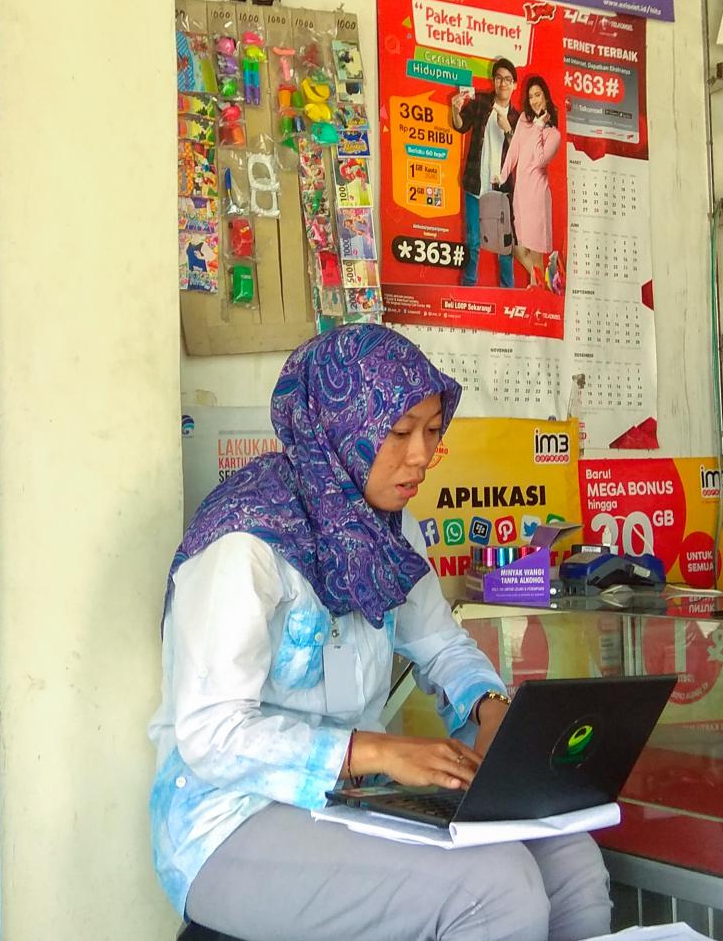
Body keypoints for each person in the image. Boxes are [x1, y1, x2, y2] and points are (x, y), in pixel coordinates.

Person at [151, 326, 611, 941]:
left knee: (570, 858)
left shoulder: (387, 531)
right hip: (230, 821)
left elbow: (440, 644)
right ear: (341, 428)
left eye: (431, 431)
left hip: (354, 800)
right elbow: (212, 734)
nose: (420, 455)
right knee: (495, 889)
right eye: (399, 434)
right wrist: (375, 752)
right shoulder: (244, 542)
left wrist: (489, 705)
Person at [447, 59, 517, 289]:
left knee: (504, 246)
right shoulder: (481, 103)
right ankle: (469, 286)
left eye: (508, 79)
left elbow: (520, 154)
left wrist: (507, 129)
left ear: (514, 85)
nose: (503, 83)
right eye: (499, 78)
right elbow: (460, 125)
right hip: (476, 183)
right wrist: (455, 111)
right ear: (493, 81)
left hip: (501, 192)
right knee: (474, 240)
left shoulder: (518, 119)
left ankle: (508, 293)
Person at [500, 76, 564, 294]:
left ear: (545, 97)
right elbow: (514, 149)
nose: (535, 100)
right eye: (531, 96)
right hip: (521, 192)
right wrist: (503, 174)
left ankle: (538, 290)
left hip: (537, 194)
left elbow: (539, 161)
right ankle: (545, 283)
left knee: (535, 250)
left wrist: (539, 127)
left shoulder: (553, 134)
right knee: (516, 246)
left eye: (538, 95)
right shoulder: (524, 121)